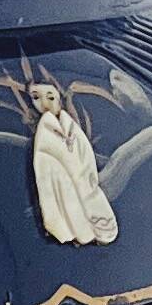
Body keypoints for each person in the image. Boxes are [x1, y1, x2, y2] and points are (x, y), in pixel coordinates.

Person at [29, 80, 119, 248]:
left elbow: (86, 153)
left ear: (58, 98)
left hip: (86, 183)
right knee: (71, 214)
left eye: (51, 97)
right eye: (36, 97)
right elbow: (44, 167)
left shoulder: (71, 126)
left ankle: (101, 230)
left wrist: (88, 177)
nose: (45, 103)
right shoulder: (44, 131)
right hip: (62, 186)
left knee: (98, 213)